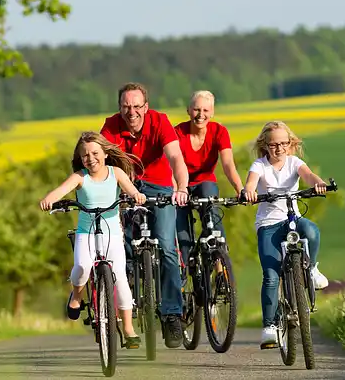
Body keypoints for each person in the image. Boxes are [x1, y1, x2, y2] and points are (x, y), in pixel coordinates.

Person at [99, 82, 189, 349]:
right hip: (126, 187)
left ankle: (172, 314)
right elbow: (99, 161)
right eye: (126, 106)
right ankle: (126, 302)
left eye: (137, 106)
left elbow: (176, 157)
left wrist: (181, 188)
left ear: (146, 107)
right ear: (119, 107)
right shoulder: (111, 126)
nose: (132, 112)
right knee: (120, 249)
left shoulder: (160, 122)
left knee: (167, 247)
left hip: (159, 186)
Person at [39, 131, 146, 349]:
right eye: (85, 155)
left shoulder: (116, 173)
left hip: (112, 233)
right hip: (86, 233)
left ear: (105, 153)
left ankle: (128, 328)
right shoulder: (80, 177)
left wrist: (137, 196)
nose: (91, 158)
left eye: (95, 153)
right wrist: (49, 200)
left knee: (120, 278)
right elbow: (60, 191)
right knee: (82, 265)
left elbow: (131, 190)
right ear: (81, 158)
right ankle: (77, 296)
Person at [242, 120, 330, 350]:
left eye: (284, 143)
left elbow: (308, 175)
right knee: (271, 276)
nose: (279, 148)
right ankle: (269, 326)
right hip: (269, 225)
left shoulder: (294, 162)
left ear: (291, 144)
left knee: (311, 230)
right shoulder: (260, 165)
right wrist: (249, 192)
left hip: (292, 218)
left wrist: (319, 183)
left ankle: (311, 269)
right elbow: (251, 183)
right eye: (273, 145)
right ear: (265, 145)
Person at [174, 90, 244, 275]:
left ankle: (220, 261)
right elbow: (170, 165)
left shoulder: (219, 131)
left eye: (205, 110)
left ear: (212, 113)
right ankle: (185, 274)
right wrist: (177, 190)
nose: (200, 115)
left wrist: (240, 189)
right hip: (180, 184)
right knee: (182, 233)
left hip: (204, 182)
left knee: (211, 207)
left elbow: (228, 164)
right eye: (196, 109)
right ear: (188, 110)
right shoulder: (177, 133)